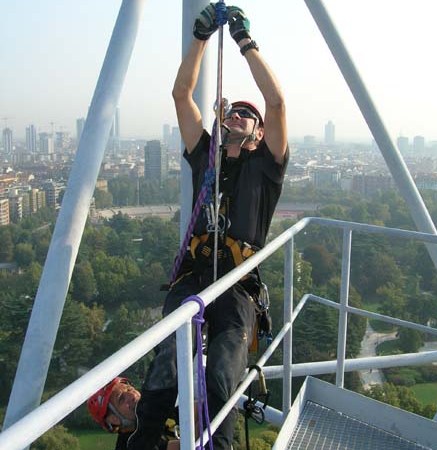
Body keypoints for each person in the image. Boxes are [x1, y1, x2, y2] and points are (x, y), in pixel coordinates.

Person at [127, 4, 288, 449]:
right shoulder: (206, 156)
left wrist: (245, 44)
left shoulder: (265, 168)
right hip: (195, 278)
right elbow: (182, 96)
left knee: (221, 376)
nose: (235, 116)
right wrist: (199, 39)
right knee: (163, 376)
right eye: (231, 113)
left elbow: (276, 103)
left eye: (244, 116)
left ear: (257, 134)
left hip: (236, 286)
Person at [87, 377, 180, 450]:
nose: (132, 395)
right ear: (113, 419)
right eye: (122, 399)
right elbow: (183, 447)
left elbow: (191, 409)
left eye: (129, 389)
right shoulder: (132, 445)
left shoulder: (154, 409)